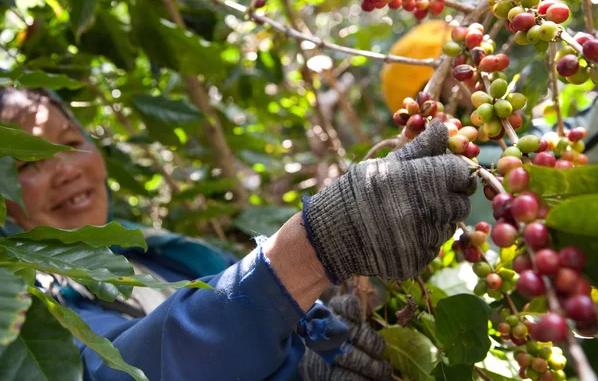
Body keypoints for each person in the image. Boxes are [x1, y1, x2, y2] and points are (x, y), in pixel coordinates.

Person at [0, 86, 473, 380]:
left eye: (70, 142)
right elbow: (120, 370)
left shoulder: (164, 256)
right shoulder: (24, 312)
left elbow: (244, 320)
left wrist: (319, 350)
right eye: (28, 163)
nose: (64, 170)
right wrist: (308, 250)